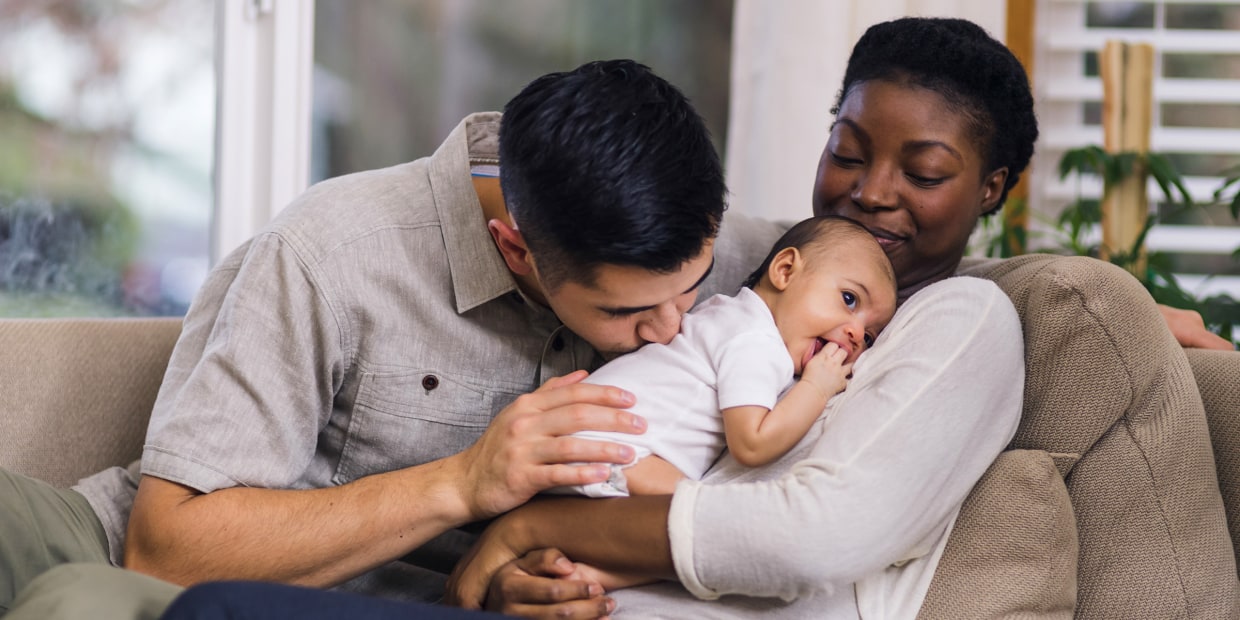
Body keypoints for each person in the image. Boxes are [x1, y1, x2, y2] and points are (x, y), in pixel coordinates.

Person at [0, 59, 786, 618]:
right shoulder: (334, 252)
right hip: (134, 547)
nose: (673, 327)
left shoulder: (756, 268)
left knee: (81, 609)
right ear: (516, 248)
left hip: (316, 605)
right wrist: (463, 482)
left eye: (695, 284)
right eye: (623, 316)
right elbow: (165, 551)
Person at [442, 16, 1040, 618]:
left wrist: (527, 530)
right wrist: (525, 577)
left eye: (923, 174)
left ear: (990, 190)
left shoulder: (965, 319)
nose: (873, 193)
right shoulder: (748, 288)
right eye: (848, 153)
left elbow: (810, 539)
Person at [561, 215, 897, 498]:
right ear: (785, 270)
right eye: (850, 299)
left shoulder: (727, 313)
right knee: (706, 513)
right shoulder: (756, 341)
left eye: (869, 336)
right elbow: (752, 444)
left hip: (577, 442)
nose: (855, 335)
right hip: (617, 453)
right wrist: (817, 388)